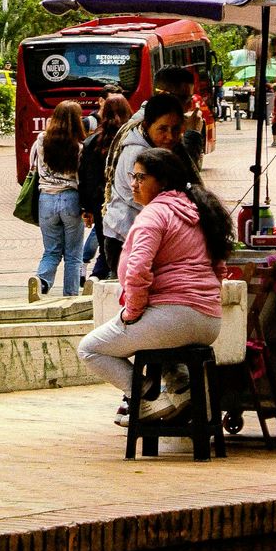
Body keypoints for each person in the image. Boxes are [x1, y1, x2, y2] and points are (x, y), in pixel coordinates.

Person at [79, 145, 232, 422]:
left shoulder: (153, 215)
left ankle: (148, 397)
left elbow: (137, 271)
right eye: (133, 176)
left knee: (90, 348)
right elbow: (219, 266)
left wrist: (132, 313)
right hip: (209, 322)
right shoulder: (198, 211)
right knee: (159, 342)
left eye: (141, 178)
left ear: (161, 182)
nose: (133, 184)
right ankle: (182, 389)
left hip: (171, 318)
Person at [101, 92, 200, 276]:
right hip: (125, 238)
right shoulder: (138, 155)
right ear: (147, 125)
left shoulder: (158, 149)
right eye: (162, 129)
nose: (170, 136)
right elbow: (154, 202)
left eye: (176, 129)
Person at [28, 100, 85, 297]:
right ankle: (70, 294)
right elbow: (80, 177)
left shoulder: (41, 139)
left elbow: (32, 166)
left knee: (51, 250)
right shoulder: (79, 147)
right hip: (70, 198)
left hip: (46, 198)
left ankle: (41, 282)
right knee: (73, 254)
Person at [80, 94, 129, 283]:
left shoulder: (92, 142)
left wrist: (87, 208)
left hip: (101, 203)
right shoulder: (130, 140)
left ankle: (101, 277)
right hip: (127, 201)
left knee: (106, 245)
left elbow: (85, 178)